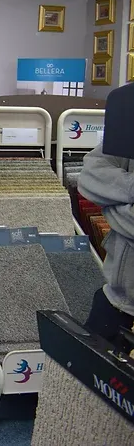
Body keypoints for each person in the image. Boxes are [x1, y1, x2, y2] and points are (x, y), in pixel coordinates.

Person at [77, 142, 134, 346]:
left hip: (120, 302)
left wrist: (111, 208)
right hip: (114, 303)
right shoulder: (128, 130)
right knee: (79, 373)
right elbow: (90, 174)